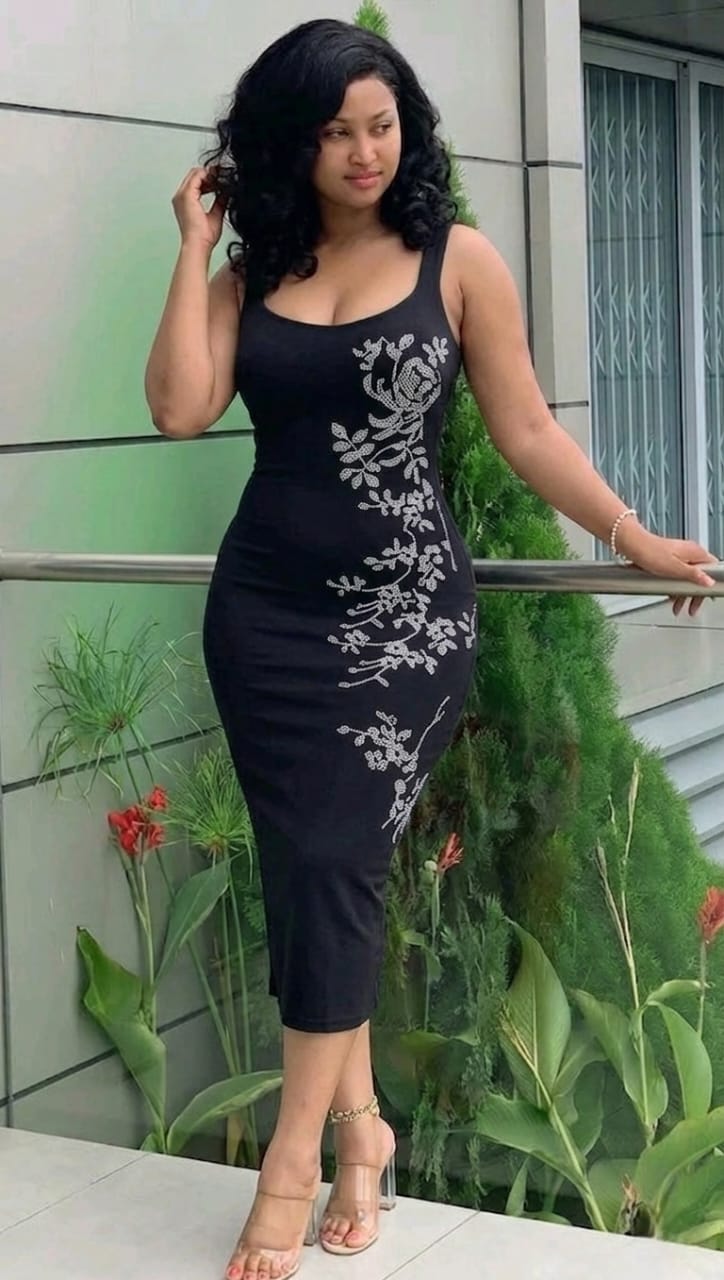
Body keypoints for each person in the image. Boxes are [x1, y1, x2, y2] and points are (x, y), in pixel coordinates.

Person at [144, 17, 717, 1280]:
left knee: (334, 858)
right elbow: (180, 407)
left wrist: (630, 535)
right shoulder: (256, 268)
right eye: (336, 131)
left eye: (382, 124)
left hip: (403, 621)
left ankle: (289, 1164)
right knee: (313, 871)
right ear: (290, 145)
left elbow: (525, 428)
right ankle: (361, 1134)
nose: (365, 151)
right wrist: (193, 246)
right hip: (264, 614)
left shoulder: (457, 257)